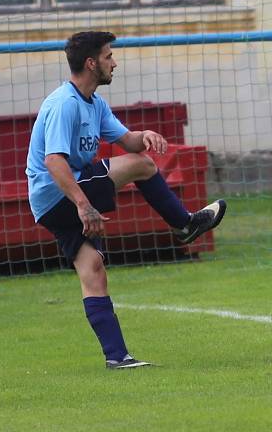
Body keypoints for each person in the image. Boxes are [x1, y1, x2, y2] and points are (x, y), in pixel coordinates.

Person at [26, 31, 227, 368]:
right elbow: (53, 161)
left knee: (93, 270)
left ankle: (118, 357)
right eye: (108, 56)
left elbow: (129, 142)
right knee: (143, 167)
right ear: (91, 63)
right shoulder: (65, 104)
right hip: (57, 190)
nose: (114, 62)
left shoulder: (94, 104)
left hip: (49, 205)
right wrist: (82, 204)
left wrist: (144, 135)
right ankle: (185, 224)